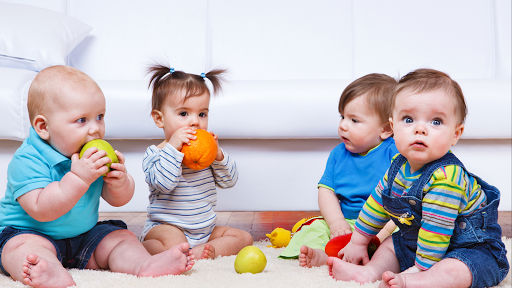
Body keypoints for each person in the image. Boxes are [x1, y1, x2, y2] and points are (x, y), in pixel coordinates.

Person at [0, 65, 195, 288]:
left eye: (100, 117)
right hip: (32, 233)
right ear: (43, 126)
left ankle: (143, 264)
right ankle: (48, 271)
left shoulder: (92, 156)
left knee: (119, 238)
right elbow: (41, 209)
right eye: (82, 120)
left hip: (84, 235)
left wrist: (120, 183)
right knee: (18, 250)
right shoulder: (27, 160)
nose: (95, 130)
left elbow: (119, 200)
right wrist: (79, 179)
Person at [328, 68, 509, 288]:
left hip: (469, 247)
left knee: (455, 269)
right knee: (390, 246)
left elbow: (436, 228)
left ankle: (421, 281)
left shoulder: (447, 177)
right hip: (418, 242)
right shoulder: (397, 167)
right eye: (408, 119)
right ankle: (369, 273)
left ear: (456, 133)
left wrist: (419, 270)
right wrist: (358, 242)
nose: (420, 129)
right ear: (393, 127)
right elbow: (377, 204)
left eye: (436, 122)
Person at [140, 64, 253, 260]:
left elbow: (230, 181)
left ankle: (207, 251)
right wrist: (174, 148)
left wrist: (217, 155)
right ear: (160, 119)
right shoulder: (155, 154)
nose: (195, 122)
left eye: (202, 114)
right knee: (174, 243)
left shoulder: (206, 152)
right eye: (184, 114)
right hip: (167, 228)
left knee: (244, 237)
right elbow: (164, 184)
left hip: (205, 230)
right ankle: (144, 248)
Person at [295, 73, 399, 267]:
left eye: (354, 120)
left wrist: (382, 233)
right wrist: (336, 223)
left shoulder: (395, 153)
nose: (343, 125)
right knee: (315, 228)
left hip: (383, 225)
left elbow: (405, 200)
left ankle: (376, 256)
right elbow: (326, 190)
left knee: (403, 235)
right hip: (347, 222)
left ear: (385, 129)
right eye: (343, 116)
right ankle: (322, 255)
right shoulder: (338, 154)